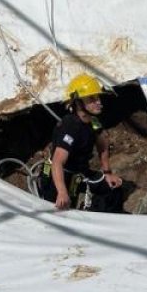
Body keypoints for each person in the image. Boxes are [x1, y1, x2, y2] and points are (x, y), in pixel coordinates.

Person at [38, 74, 126, 213]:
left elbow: (103, 147)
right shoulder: (70, 126)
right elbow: (57, 162)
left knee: (112, 190)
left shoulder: (94, 122)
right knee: (63, 211)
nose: (98, 102)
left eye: (97, 97)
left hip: (79, 173)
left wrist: (107, 173)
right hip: (58, 177)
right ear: (78, 103)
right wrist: (61, 192)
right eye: (92, 99)